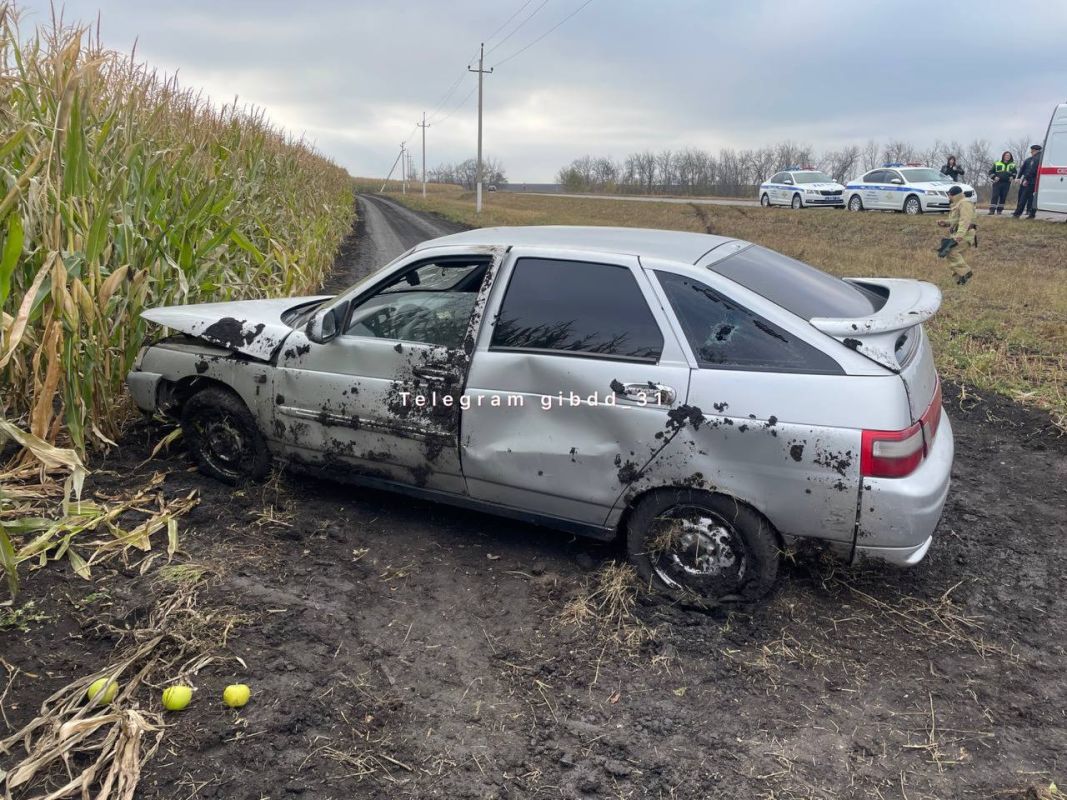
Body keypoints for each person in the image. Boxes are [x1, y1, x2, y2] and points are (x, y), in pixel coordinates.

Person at [937, 186, 977, 285]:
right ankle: (959, 280)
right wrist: (946, 223)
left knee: (951, 252)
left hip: (965, 234)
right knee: (954, 254)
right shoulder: (958, 204)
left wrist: (960, 235)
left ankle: (966, 272)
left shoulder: (965, 203)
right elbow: (956, 220)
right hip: (958, 234)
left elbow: (965, 220)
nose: (948, 198)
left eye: (949, 195)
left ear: (953, 195)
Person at [1013, 144, 1042, 219]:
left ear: (1035, 150)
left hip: (1030, 181)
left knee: (1023, 198)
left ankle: (1017, 214)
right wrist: (1019, 177)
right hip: (1036, 182)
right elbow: (1023, 169)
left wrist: (1026, 179)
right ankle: (1032, 214)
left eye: (1032, 151)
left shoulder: (1035, 159)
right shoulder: (1036, 159)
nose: (1031, 152)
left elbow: (1031, 170)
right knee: (1033, 199)